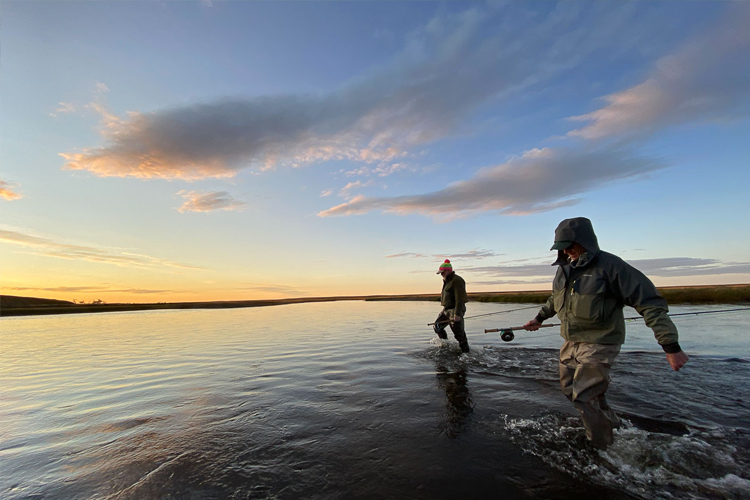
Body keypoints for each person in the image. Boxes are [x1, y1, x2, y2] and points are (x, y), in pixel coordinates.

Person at [523, 217, 689, 449]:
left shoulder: (612, 267)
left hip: (601, 341)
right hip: (571, 340)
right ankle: (612, 425)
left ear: (585, 241)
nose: (567, 251)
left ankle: (600, 448)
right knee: (570, 389)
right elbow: (555, 299)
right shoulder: (563, 270)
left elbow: (649, 303)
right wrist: (539, 318)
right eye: (562, 247)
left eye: (570, 245)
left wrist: (671, 346)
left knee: (585, 396)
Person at [434, 259, 470, 353]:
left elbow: (460, 298)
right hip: (446, 309)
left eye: (442, 273)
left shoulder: (457, 280)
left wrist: (457, 314)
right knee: (437, 326)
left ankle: (466, 353)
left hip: (455, 310)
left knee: (459, 334)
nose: (441, 275)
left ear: (448, 271)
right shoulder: (447, 280)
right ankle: (445, 345)